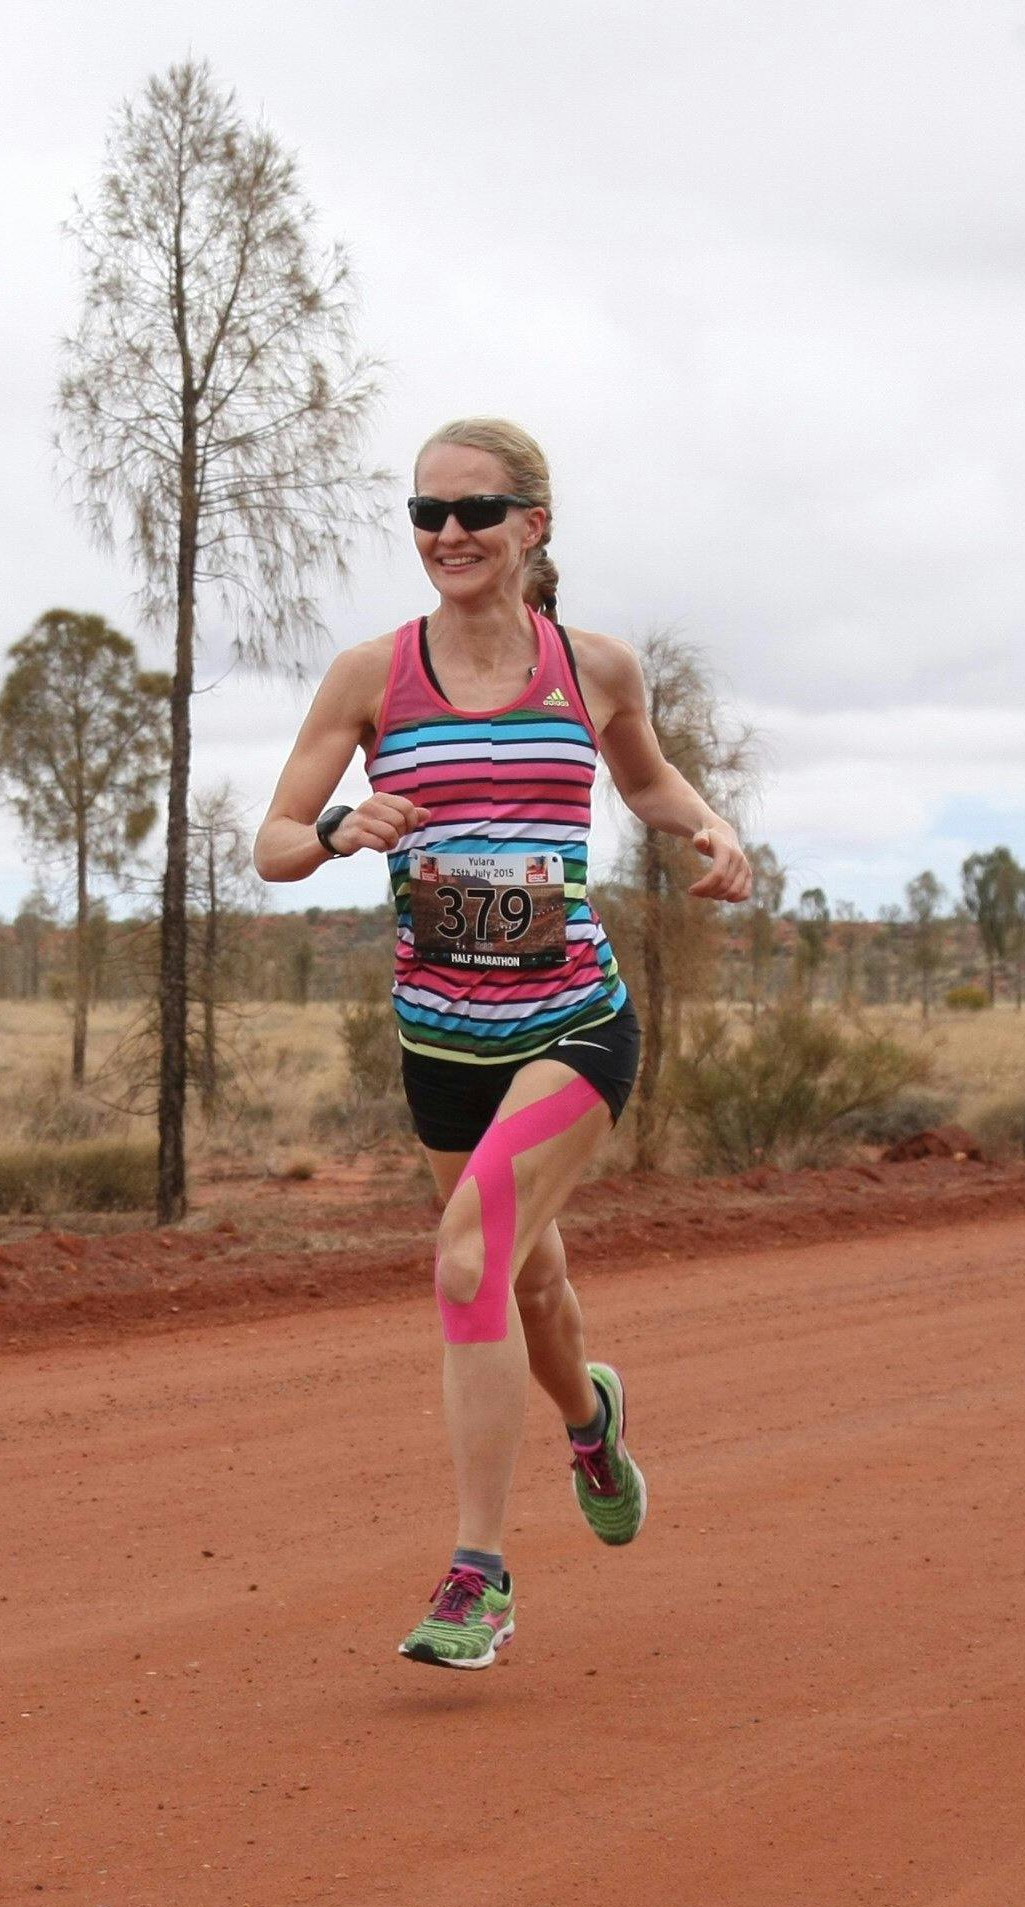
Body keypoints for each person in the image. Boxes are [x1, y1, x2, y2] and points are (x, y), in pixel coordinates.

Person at [255, 417, 754, 1668]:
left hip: (574, 1027)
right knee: (520, 1280)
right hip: (441, 1047)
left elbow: (641, 780)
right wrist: (338, 829)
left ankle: (477, 1575)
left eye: (473, 512)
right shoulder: (371, 676)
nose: (448, 537)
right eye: (425, 515)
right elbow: (270, 842)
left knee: (469, 1254)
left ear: (533, 524)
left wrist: (708, 825)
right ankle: (591, 1421)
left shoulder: (593, 669)